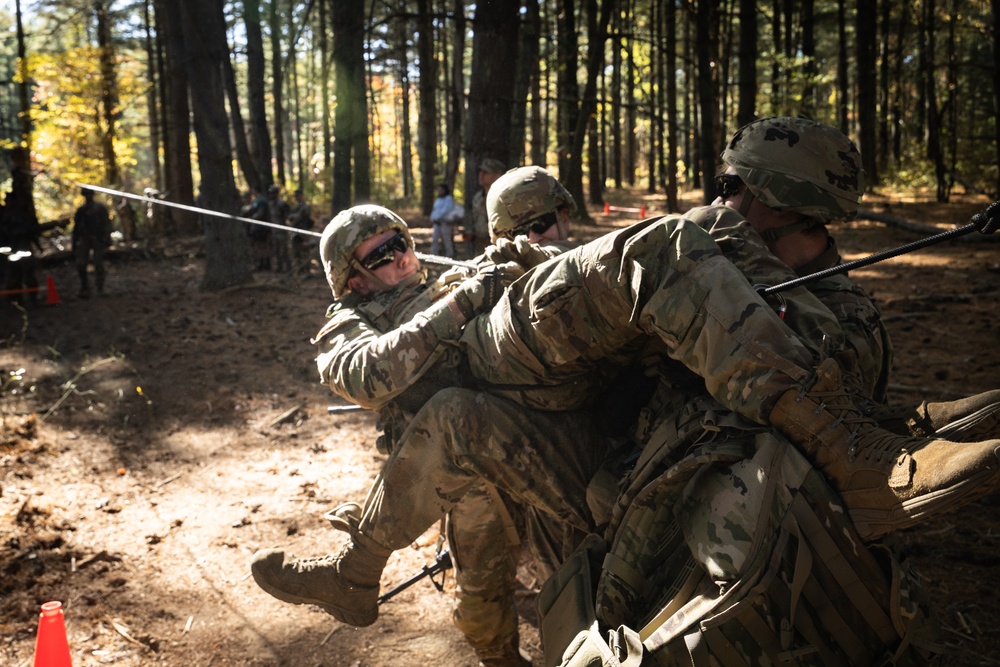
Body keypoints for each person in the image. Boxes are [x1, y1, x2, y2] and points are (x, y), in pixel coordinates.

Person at [253, 125, 1000, 644]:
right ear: (350, 276)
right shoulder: (349, 321)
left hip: (532, 406)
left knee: (703, 255)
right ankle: (856, 452)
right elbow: (366, 375)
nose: (400, 259)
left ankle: (870, 419)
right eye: (380, 254)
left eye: (402, 244)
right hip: (481, 400)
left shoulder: (450, 275)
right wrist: (469, 294)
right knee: (484, 590)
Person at [2, 189, 41, 305]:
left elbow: (32, 229)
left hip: (23, 247)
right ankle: (17, 298)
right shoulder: (5, 215)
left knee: (28, 274)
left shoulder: (22, 214)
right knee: (14, 275)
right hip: (10, 248)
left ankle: (32, 297)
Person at [72, 187, 112, 298]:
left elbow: (106, 224)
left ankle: (100, 288)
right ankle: (84, 288)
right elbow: (76, 228)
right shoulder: (81, 210)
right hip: (85, 239)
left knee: (98, 264)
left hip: (97, 239)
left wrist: (107, 238)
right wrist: (74, 243)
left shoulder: (100, 208)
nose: (88, 197)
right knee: (81, 264)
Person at [467, 158, 506, 257]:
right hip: (479, 244)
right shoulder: (478, 197)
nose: (481, 175)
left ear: (497, 176)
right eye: (480, 171)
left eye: (486, 172)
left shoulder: (504, 197)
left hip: (499, 246)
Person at [430, 182, 458, 258]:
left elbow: (446, 210)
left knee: (447, 240)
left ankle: (450, 255)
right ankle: (433, 255)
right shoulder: (438, 199)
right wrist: (433, 218)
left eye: (441, 190)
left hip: (445, 223)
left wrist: (438, 217)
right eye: (438, 190)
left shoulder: (448, 199)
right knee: (435, 239)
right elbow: (434, 210)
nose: (439, 191)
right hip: (436, 223)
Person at [289, 189, 314, 274]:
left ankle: (307, 270)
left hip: (303, 232)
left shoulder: (305, 207)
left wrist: (294, 217)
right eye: (295, 196)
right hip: (295, 232)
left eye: (298, 196)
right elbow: (290, 217)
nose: (296, 198)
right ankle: (299, 269)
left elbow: (297, 218)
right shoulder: (295, 207)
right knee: (296, 251)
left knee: (305, 251)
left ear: (302, 196)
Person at [267, 184, 292, 272]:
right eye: (271, 193)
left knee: (283, 250)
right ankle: (279, 267)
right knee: (276, 250)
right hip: (273, 231)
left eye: (273, 193)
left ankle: (288, 268)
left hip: (281, 231)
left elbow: (289, 215)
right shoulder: (270, 204)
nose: (272, 195)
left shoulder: (282, 204)